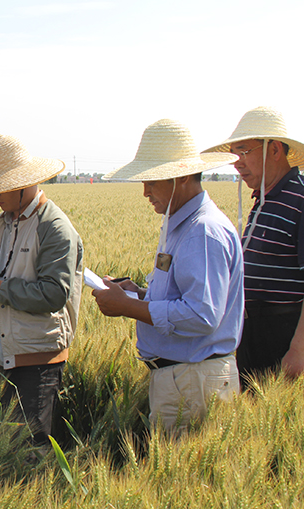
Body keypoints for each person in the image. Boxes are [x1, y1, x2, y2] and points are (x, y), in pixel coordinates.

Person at [92, 120, 242, 434]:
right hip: (185, 379)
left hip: (195, 381)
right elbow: (185, 297)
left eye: (153, 181)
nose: (145, 191)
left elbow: (202, 315)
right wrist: (141, 294)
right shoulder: (180, 224)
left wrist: (128, 307)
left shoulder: (202, 232)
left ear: (183, 176)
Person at [0, 134, 82, 449]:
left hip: (37, 360)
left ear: (23, 183)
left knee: (32, 453)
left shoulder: (54, 227)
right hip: (1, 355)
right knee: (4, 449)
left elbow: (53, 294)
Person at [202, 106, 304, 385]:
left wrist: (303, 343)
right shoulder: (264, 199)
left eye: (244, 152)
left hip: (284, 336)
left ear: (274, 150)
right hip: (254, 334)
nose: (236, 163)